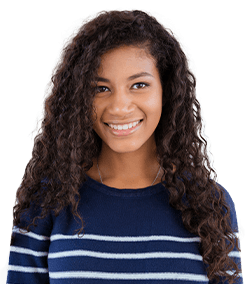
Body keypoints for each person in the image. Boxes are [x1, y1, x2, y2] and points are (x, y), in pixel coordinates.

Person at [7, 9, 243, 284]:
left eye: (139, 84)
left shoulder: (209, 205)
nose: (120, 107)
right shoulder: (47, 201)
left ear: (166, 91)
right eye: (100, 88)